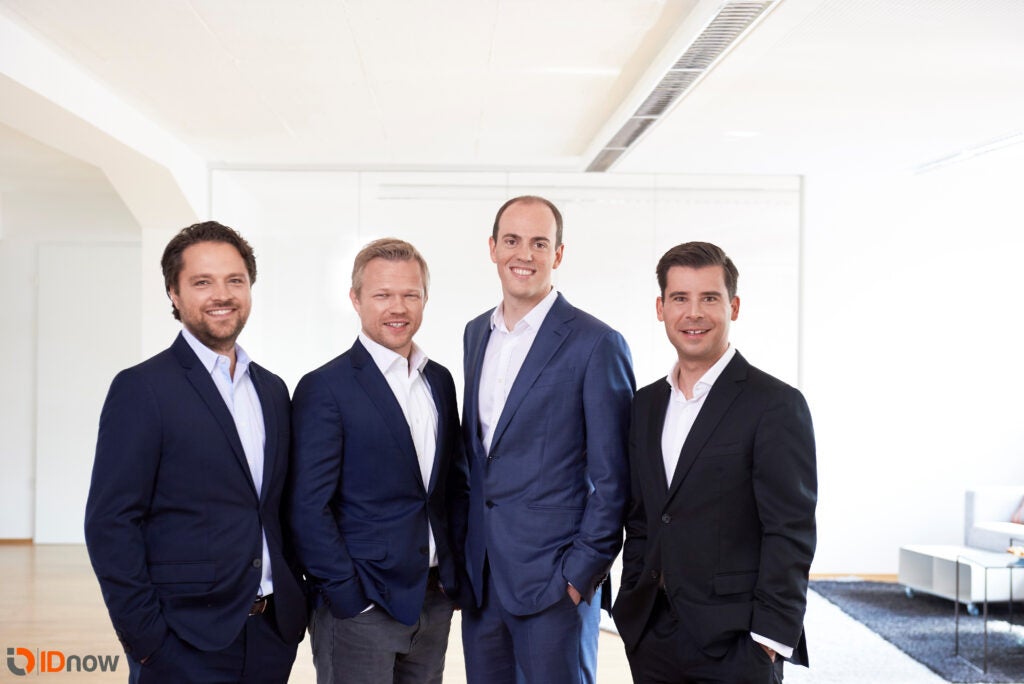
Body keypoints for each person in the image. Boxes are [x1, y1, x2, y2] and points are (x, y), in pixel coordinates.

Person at [84, 221, 307, 683]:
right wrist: (147, 641)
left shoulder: (271, 390)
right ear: (174, 293)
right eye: (202, 282)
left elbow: (276, 509)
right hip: (182, 640)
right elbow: (111, 522)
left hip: (271, 636)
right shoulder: (142, 388)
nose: (221, 295)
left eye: (234, 280)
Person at [611, 241, 817, 684]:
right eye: (679, 298)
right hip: (652, 636)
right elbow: (642, 517)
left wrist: (768, 638)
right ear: (661, 308)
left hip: (738, 643)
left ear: (733, 307)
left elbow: (790, 530)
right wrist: (634, 606)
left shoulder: (775, 404)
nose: (694, 313)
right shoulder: (644, 405)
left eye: (709, 298)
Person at [460, 196, 635, 684]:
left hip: (555, 584)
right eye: (512, 240)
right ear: (493, 248)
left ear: (558, 254)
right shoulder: (475, 334)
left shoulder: (596, 343)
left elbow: (614, 478)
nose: (525, 254)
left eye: (540, 243)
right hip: (484, 582)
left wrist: (579, 576)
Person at [288, 238, 469, 684]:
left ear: (425, 298)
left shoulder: (439, 381)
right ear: (355, 299)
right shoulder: (325, 388)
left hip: (432, 601)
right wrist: (349, 597)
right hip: (362, 608)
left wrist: (452, 578)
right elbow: (307, 507)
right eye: (383, 294)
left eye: (411, 294)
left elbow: (450, 488)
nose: (398, 308)